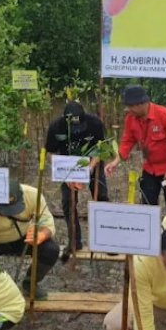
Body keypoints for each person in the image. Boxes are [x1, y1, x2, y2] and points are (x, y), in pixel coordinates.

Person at [105, 85, 166, 212]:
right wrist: (116, 161)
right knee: (147, 206)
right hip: (150, 168)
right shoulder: (131, 119)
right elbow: (127, 140)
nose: (129, 110)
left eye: (131, 106)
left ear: (141, 104)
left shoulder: (165, 116)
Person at [44, 100, 110, 261]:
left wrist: (90, 168)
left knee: (101, 197)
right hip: (67, 164)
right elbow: (49, 153)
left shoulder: (95, 123)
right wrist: (63, 172)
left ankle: (106, 240)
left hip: (90, 161)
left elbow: (101, 149)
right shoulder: (56, 127)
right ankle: (75, 241)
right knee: (68, 202)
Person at [0, 180, 58, 300]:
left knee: (51, 250)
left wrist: (41, 236)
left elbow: (48, 224)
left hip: (23, 237)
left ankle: (30, 283)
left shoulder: (33, 195)